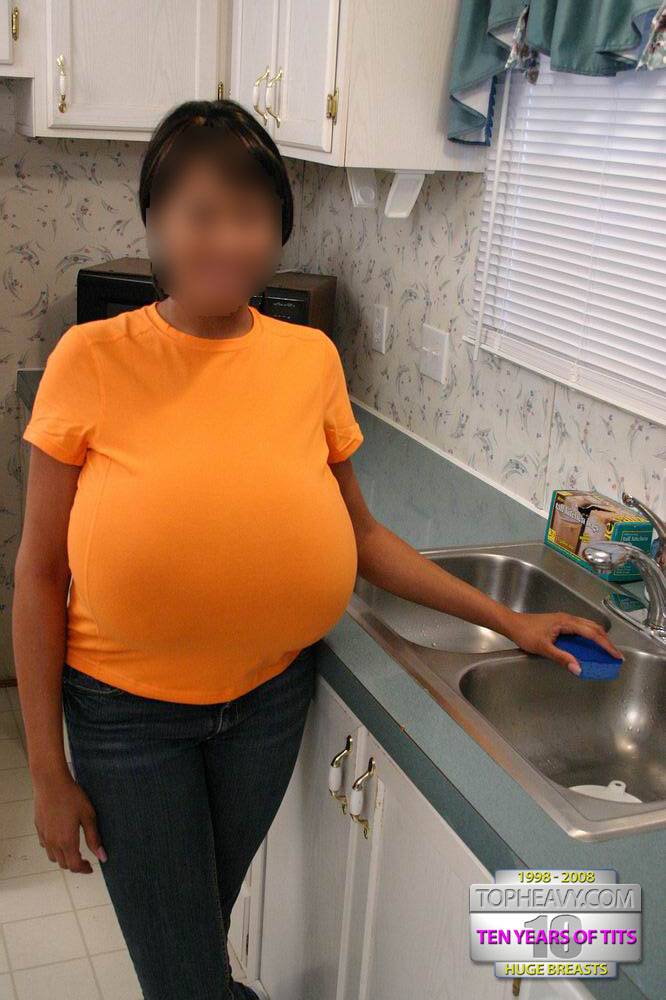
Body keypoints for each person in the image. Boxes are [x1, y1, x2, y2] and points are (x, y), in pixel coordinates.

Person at [12, 98, 622, 1000]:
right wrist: (47, 773)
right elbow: (38, 574)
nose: (228, 239)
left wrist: (512, 620)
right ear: (157, 224)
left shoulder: (308, 360)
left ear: (279, 230)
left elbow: (363, 537)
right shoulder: (91, 358)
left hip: (267, 708)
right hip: (127, 718)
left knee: (197, 941)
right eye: (201, 213)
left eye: (251, 215)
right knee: (185, 977)